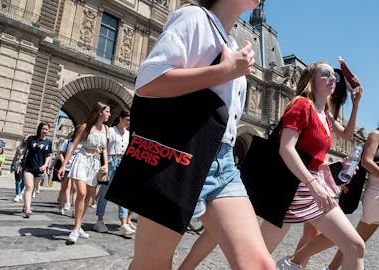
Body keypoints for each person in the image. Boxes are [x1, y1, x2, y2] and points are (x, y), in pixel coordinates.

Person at [109, 1, 275, 269]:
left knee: (260, 264)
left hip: (223, 162)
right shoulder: (194, 17)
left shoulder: (232, 43)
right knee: (152, 265)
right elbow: (148, 82)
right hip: (179, 157)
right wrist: (224, 71)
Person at [253, 62, 365, 270]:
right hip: (292, 190)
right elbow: (286, 148)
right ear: (312, 81)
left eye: (335, 76)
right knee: (256, 260)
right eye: (326, 74)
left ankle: (291, 263)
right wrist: (314, 185)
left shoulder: (326, 116)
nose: (333, 79)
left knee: (355, 246)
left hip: (313, 189)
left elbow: (348, 136)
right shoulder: (302, 104)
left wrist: (356, 104)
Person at [285, 127, 379, 270]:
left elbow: (346, 134)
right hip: (310, 182)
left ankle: (297, 263)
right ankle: (295, 262)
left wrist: (354, 108)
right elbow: (365, 160)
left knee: (354, 243)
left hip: (317, 181)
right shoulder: (376, 135)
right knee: (354, 242)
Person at [57, 101, 110, 243]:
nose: (109, 114)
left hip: (95, 163)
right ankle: (75, 229)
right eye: (107, 112)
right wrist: (63, 165)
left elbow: (104, 148)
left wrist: (105, 165)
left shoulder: (106, 129)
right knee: (82, 193)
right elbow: (73, 146)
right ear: (99, 112)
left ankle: (79, 225)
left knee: (88, 197)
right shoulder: (85, 127)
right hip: (82, 159)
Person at [93, 110, 136, 235]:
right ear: (121, 119)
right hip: (112, 161)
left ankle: (123, 223)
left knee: (122, 193)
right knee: (105, 192)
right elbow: (104, 148)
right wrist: (104, 164)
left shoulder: (128, 134)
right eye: (127, 119)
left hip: (123, 163)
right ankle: (99, 220)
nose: (129, 122)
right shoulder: (110, 131)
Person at [19, 123, 52, 218]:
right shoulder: (31, 139)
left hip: (40, 169)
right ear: (39, 129)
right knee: (29, 187)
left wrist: (45, 166)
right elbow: (24, 150)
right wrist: (20, 162)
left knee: (33, 188)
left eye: (46, 129)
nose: (44, 131)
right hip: (29, 167)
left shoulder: (48, 142)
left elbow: (48, 155)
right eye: (43, 129)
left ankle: (25, 205)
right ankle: (28, 209)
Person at [57, 128, 80, 215]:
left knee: (75, 188)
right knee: (64, 187)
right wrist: (64, 163)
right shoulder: (68, 142)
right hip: (67, 167)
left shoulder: (83, 143)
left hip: (77, 167)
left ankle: (74, 209)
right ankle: (60, 205)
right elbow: (60, 153)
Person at [11, 133, 28, 202]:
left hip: (26, 164)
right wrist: (12, 164)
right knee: (18, 180)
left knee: (24, 180)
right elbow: (15, 156)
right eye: (24, 139)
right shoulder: (19, 147)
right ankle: (17, 194)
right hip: (17, 163)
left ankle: (20, 192)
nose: (25, 140)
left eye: (26, 139)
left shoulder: (30, 148)